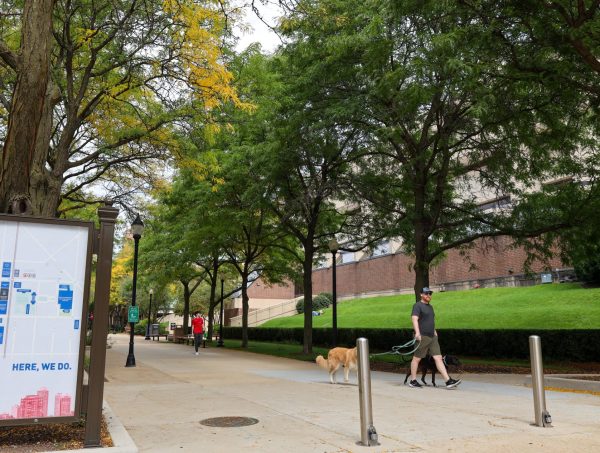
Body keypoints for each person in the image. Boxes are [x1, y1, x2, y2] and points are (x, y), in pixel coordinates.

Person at [408, 287, 461, 389]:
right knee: (417, 359)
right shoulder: (417, 306)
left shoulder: (430, 307)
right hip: (422, 336)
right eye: (426, 293)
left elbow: (431, 321)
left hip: (432, 337)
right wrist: (417, 333)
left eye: (430, 293)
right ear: (421, 295)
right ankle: (413, 380)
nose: (428, 295)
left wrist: (435, 331)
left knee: (438, 358)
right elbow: (414, 319)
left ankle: (448, 381)